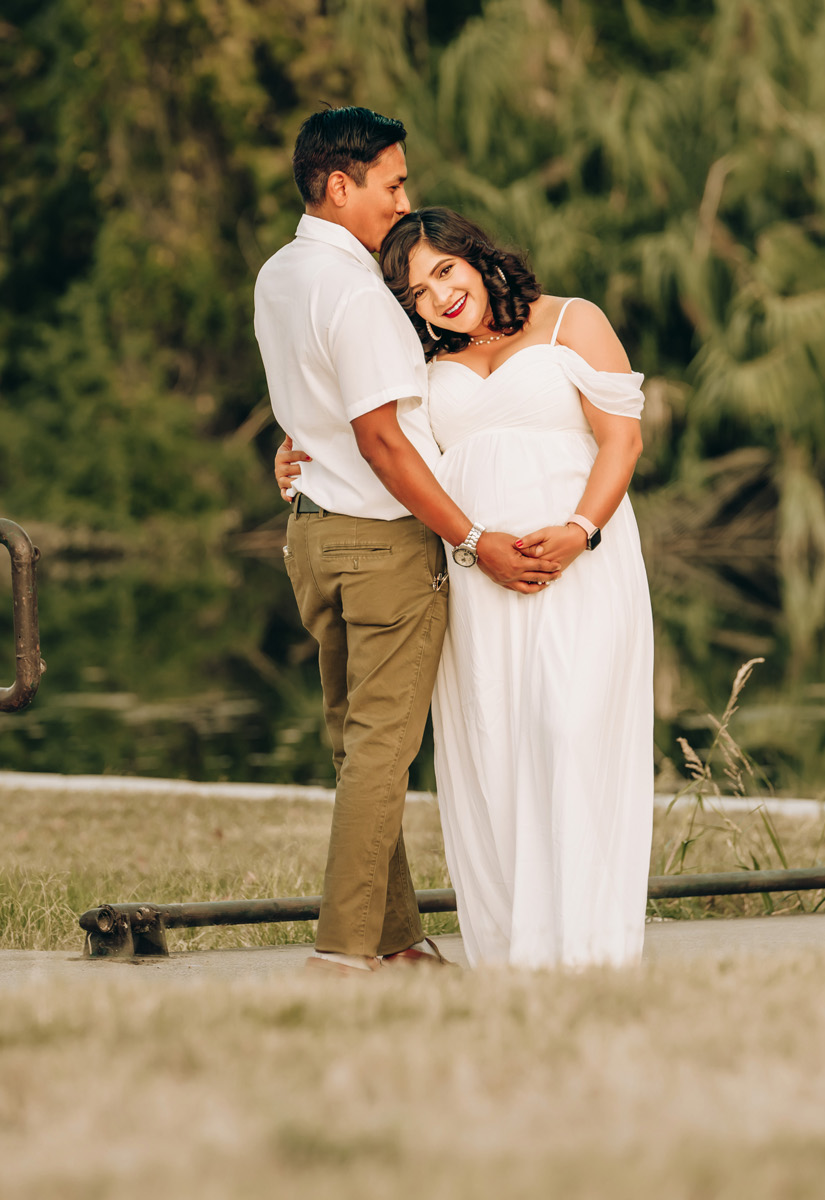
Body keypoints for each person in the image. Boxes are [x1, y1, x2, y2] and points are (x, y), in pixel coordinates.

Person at [276, 206, 654, 969]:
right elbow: (374, 443)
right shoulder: (417, 369)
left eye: (445, 270)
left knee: (570, 728)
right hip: (479, 578)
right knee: (494, 746)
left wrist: (581, 530)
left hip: (580, 564)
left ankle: (589, 946)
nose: (439, 296)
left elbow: (623, 439)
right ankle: (516, 947)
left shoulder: (571, 322)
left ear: (478, 258)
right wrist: (292, 457)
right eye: (417, 292)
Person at [253, 109, 558, 977]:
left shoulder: (280, 274)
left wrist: (295, 449)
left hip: (313, 538)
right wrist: (472, 540)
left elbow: (313, 406)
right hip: (382, 547)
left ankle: (393, 943)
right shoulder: (353, 289)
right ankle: (345, 957)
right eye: (392, 184)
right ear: (340, 185)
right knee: (382, 752)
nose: (404, 199)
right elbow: (384, 439)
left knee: (357, 747)